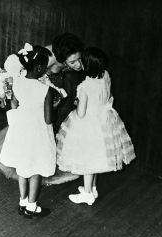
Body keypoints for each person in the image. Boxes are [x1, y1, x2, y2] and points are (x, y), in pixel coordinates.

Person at [0, 33, 85, 185]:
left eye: (79, 59)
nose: (79, 65)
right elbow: (27, 71)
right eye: (73, 62)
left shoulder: (71, 57)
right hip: (43, 89)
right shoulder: (49, 57)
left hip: (57, 87)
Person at [56, 47, 136, 205]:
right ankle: (92, 187)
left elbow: (80, 113)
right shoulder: (106, 75)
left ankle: (87, 194)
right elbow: (109, 95)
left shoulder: (85, 86)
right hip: (104, 121)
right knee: (96, 157)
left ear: (87, 66)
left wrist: (77, 101)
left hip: (88, 124)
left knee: (87, 160)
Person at [0, 45, 56, 217]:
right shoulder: (46, 90)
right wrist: (56, 106)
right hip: (37, 131)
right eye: (45, 67)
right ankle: (31, 207)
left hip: (21, 128)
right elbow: (48, 119)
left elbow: (14, 104)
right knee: (36, 168)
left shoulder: (18, 82)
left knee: (22, 167)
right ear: (39, 68)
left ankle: (22, 201)